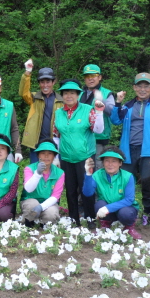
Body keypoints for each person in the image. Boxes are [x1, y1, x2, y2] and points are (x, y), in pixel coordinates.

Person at [111, 72, 150, 223]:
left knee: (147, 182)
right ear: (134, 87)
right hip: (128, 150)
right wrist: (118, 103)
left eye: (146, 86)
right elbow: (115, 120)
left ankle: (147, 212)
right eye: (139, 86)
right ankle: (125, 211)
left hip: (149, 151)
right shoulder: (128, 106)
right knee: (125, 181)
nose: (143, 89)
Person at [54, 79, 105, 228]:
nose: (69, 96)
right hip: (66, 157)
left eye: (72, 93)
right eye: (66, 93)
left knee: (86, 189)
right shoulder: (58, 113)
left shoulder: (87, 109)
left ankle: (90, 219)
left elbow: (98, 130)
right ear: (62, 95)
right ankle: (73, 219)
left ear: (78, 95)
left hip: (85, 158)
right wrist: (56, 157)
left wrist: (99, 112)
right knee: (70, 190)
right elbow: (56, 135)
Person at [82, 146, 142, 239]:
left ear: (120, 163)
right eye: (107, 161)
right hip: (107, 211)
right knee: (99, 205)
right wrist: (88, 174)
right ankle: (105, 224)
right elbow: (88, 193)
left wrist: (108, 208)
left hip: (124, 209)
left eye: (114, 161)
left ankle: (129, 227)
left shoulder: (128, 176)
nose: (110, 164)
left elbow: (129, 199)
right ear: (103, 163)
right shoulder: (97, 175)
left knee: (125, 213)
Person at [19, 59, 64, 163]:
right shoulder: (34, 97)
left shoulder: (61, 100)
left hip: (54, 142)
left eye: (48, 82)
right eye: (42, 82)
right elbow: (23, 93)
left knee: (54, 170)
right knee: (35, 169)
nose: (45, 85)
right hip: (36, 142)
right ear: (39, 83)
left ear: (53, 82)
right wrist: (27, 72)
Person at [79, 64, 115, 170]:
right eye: (87, 76)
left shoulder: (107, 93)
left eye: (93, 75)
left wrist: (102, 100)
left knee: (97, 168)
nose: (90, 79)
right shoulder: (79, 93)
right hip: (81, 138)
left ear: (99, 77)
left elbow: (112, 112)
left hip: (98, 139)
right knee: (82, 168)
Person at [20, 140, 64, 225]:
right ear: (38, 155)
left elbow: (55, 196)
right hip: (30, 200)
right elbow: (28, 189)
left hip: (49, 202)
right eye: (43, 153)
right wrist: (37, 173)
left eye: (50, 153)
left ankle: (43, 223)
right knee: (32, 206)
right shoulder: (29, 169)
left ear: (54, 156)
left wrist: (41, 207)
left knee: (51, 214)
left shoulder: (60, 173)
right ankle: (29, 222)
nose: (46, 156)